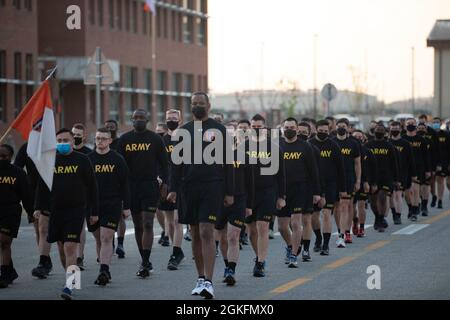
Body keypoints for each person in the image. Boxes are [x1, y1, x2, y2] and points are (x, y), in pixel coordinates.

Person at [167, 92, 234, 299]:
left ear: (209, 105)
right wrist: (172, 188)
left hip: (212, 187)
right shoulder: (183, 131)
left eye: (201, 103)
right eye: (194, 103)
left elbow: (229, 163)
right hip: (189, 188)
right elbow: (175, 164)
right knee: (194, 233)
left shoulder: (219, 130)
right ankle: (200, 277)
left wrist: (229, 191)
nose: (197, 106)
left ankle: (209, 282)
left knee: (207, 231)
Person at [34, 128, 99, 300]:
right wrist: (38, 207)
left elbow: (92, 186)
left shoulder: (82, 159)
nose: (62, 143)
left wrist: (94, 211)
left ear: (72, 141)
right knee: (62, 250)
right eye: (59, 141)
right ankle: (71, 279)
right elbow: (42, 186)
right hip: (56, 210)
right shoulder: (50, 160)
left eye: (66, 140)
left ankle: (69, 286)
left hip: (76, 210)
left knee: (71, 247)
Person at [117, 109, 168, 278]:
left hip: (150, 186)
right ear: (131, 120)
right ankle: (144, 258)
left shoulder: (155, 139)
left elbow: (164, 163)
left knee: (147, 223)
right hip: (132, 188)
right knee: (138, 225)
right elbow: (120, 167)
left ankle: (146, 261)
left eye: (142, 118)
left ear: (147, 120)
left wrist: (165, 183)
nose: (138, 120)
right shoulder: (124, 140)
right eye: (135, 118)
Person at [88, 128, 131, 286]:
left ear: (110, 141)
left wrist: (126, 206)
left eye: (104, 138)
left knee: (106, 237)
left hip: (112, 203)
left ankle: (104, 270)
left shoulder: (117, 159)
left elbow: (125, 184)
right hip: (92, 206)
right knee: (99, 238)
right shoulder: (88, 159)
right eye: (98, 138)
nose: (100, 141)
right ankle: (103, 264)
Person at [245, 114, 286, 277]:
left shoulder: (274, 148)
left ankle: (261, 262)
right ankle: (258, 256)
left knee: (262, 227)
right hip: (248, 194)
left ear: (265, 129)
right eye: (254, 127)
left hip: (268, 192)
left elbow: (281, 175)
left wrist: (281, 196)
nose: (256, 130)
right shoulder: (243, 147)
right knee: (252, 230)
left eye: (259, 127)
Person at [278, 119, 320, 267]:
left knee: (296, 223)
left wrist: (317, 192)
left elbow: (313, 171)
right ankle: (291, 245)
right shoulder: (278, 145)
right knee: (282, 226)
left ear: (297, 129)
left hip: (300, 189)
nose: (289, 129)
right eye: (286, 127)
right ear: (283, 129)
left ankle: (294, 256)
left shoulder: (306, 146)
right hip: (282, 190)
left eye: (292, 127)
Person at [216, 122, 254, 285]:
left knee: (233, 236)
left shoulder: (244, 155)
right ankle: (226, 265)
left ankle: (231, 270)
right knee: (222, 237)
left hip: (239, 200)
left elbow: (250, 182)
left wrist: (249, 205)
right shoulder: (213, 155)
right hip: (218, 200)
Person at [14, 143, 53, 278]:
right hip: (34, 192)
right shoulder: (27, 147)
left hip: (56, 191)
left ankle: (72, 277)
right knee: (41, 229)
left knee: (62, 239)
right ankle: (44, 261)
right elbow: (17, 168)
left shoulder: (53, 145)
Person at [309, 120, 346, 255]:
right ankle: (318, 238)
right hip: (313, 185)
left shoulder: (333, 145)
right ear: (316, 129)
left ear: (329, 131)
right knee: (314, 215)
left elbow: (340, 168)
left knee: (326, 213)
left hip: (330, 184)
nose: (323, 133)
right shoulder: (310, 144)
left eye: (326, 131)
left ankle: (325, 244)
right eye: (321, 130)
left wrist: (342, 188)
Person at [0, 144, 33, 288]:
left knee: (3, 241)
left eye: (4, 156)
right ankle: (9, 270)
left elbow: (26, 195)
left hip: (11, 212)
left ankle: (4, 274)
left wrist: (31, 212)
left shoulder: (18, 173)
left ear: (10, 157)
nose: (1, 159)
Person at [161, 109, 186, 270]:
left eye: (174, 118)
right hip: (165, 184)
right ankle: (175, 248)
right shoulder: (161, 140)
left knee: (177, 220)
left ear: (180, 120)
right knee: (169, 222)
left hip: (181, 184)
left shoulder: (185, 138)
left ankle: (176, 253)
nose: (171, 120)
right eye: (169, 118)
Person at [332, 118, 361, 247]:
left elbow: (357, 164)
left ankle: (345, 233)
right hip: (334, 178)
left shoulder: (353, 143)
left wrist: (358, 180)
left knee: (346, 206)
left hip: (349, 178)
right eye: (339, 126)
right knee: (337, 206)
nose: (341, 128)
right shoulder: (332, 143)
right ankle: (340, 230)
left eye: (343, 126)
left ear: (348, 128)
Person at [366, 125, 399, 232]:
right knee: (373, 201)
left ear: (385, 133)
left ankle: (380, 219)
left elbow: (394, 163)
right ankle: (377, 217)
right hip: (371, 177)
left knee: (382, 197)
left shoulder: (389, 146)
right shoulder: (368, 145)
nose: (379, 132)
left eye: (381, 131)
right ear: (373, 132)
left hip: (386, 176)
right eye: (377, 130)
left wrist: (396, 180)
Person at [104, 119, 127, 258]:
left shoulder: (121, 143)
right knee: (107, 218)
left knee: (119, 216)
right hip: (105, 186)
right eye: (107, 127)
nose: (110, 129)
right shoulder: (101, 143)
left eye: (112, 127)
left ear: (116, 129)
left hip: (119, 185)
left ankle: (120, 244)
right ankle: (109, 244)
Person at [71, 123, 92, 270]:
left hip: (86, 195)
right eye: (74, 135)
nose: (75, 137)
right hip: (69, 196)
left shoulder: (89, 154)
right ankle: (76, 257)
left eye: (78, 135)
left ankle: (79, 256)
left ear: (84, 136)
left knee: (82, 227)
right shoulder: (66, 152)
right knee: (76, 227)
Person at [403, 118, 431, 221]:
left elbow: (426, 156)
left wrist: (428, 170)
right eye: (408, 123)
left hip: (418, 168)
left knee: (415, 190)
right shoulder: (403, 139)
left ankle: (414, 211)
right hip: (405, 169)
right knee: (407, 192)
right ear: (405, 126)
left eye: (412, 123)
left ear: (416, 125)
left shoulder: (421, 140)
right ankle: (410, 207)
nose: (410, 125)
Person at [388, 121, 416, 225]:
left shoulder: (405, 144)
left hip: (403, 172)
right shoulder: (388, 142)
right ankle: (395, 213)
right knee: (392, 195)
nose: (394, 131)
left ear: (400, 130)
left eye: (396, 129)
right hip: (390, 173)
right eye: (392, 129)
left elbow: (411, 160)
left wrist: (413, 174)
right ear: (390, 130)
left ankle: (404, 212)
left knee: (400, 194)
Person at [352, 130, 376, 236]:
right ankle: (354, 221)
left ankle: (362, 227)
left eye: (360, 136)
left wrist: (370, 183)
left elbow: (373, 168)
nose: (358, 138)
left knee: (361, 205)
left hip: (363, 182)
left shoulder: (368, 151)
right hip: (351, 182)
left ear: (364, 138)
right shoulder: (349, 150)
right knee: (351, 207)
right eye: (355, 136)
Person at [155, 123, 170, 247]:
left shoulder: (172, 142)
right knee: (159, 209)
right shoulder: (156, 144)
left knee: (171, 213)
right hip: (159, 178)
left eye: (160, 131)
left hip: (172, 179)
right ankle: (166, 230)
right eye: (156, 131)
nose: (158, 133)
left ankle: (167, 236)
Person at [431, 117, 450, 209]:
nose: (435, 124)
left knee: (440, 180)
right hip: (430, 161)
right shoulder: (429, 134)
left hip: (443, 161)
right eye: (434, 122)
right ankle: (434, 196)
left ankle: (440, 200)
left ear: (441, 123)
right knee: (431, 181)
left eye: (437, 122)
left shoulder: (445, 134)